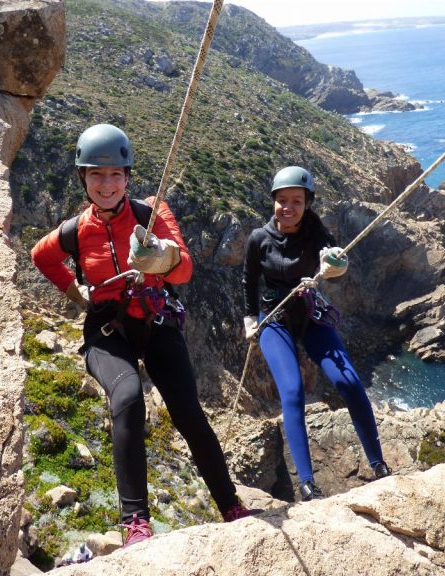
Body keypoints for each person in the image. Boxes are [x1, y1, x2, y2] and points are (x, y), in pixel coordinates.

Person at [31, 123, 253, 547]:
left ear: (128, 176)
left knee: (188, 412)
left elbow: (185, 269)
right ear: (84, 178)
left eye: (116, 175)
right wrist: (74, 291)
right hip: (107, 330)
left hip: (155, 322)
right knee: (128, 397)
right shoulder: (77, 230)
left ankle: (231, 507)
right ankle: (136, 523)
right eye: (97, 174)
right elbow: (41, 256)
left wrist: (163, 259)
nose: (107, 184)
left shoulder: (152, 214)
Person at [241, 166, 391, 502]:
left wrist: (332, 264)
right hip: (275, 319)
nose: (288, 207)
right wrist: (250, 319)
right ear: (273, 202)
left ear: (307, 203)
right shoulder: (259, 239)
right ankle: (308, 485)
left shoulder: (316, 232)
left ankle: (378, 463)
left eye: (296, 201)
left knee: (349, 381)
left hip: (309, 313)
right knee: (292, 391)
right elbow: (248, 281)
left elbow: (331, 258)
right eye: (282, 200)